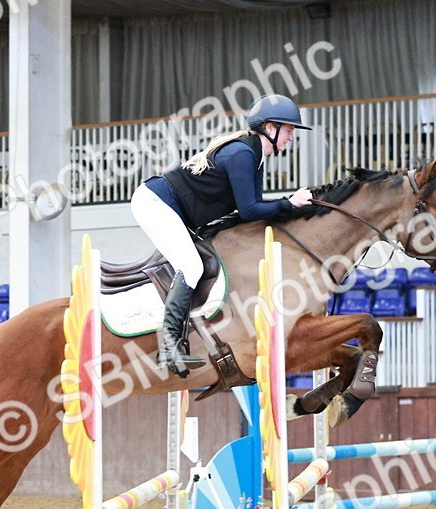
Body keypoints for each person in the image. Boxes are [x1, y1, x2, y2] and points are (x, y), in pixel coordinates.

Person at [130, 94, 314, 378]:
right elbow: (249, 210)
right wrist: (290, 203)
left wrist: (290, 207)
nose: (291, 137)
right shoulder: (243, 155)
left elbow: (252, 209)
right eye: (289, 130)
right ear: (270, 128)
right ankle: (168, 346)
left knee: (198, 264)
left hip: (170, 207)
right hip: (155, 203)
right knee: (191, 266)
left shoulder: (255, 156)